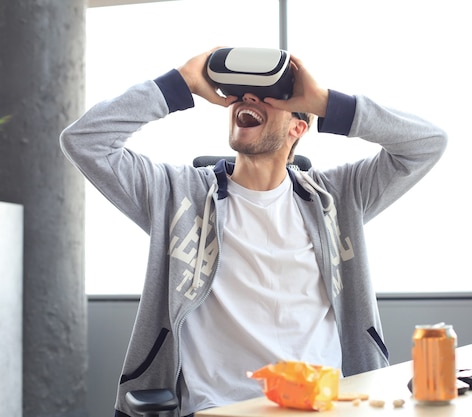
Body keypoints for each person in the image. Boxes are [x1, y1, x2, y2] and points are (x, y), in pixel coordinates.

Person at [60, 47, 447, 417]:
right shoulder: (176, 195)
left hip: (325, 406)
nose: (248, 99)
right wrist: (181, 83)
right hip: (219, 408)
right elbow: (85, 141)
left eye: (270, 97)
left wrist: (327, 102)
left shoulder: (339, 197)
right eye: (242, 94)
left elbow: (427, 143)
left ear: (299, 124)